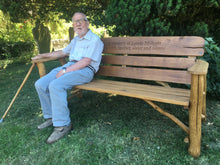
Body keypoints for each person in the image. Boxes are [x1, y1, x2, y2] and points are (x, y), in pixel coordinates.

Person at [32, 12, 104, 144]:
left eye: (81, 20)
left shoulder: (94, 40)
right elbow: (62, 52)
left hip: (85, 70)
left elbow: (86, 61)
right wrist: (42, 56)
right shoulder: (76, 40)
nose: (78, 23)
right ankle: (51, 117)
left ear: (87, 23)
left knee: (56, 85)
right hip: (72, 66)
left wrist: (65, 70)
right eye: (75, 21)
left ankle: (63, 125)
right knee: (40, 84)